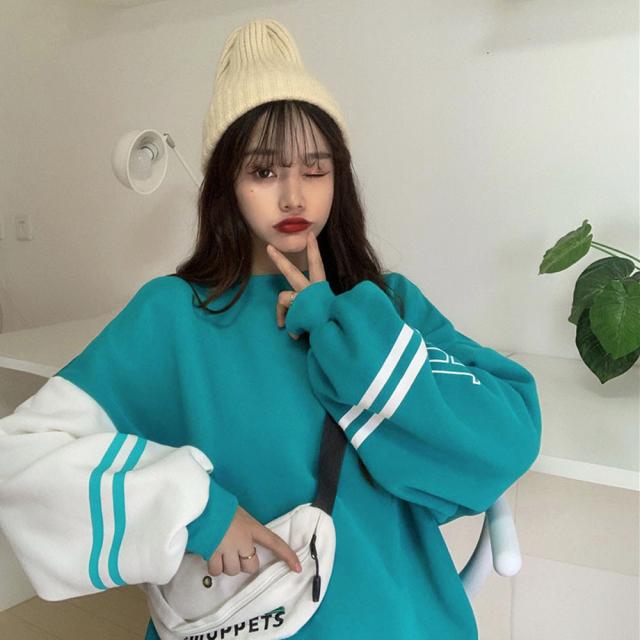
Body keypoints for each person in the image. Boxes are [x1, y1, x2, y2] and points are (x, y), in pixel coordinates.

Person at [0, 18, 542, 640]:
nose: (293, 196)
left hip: (398, 617)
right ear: (226, 186)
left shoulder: (384, 303)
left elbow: (507, 435)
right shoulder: (174, 314)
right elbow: (21, 454)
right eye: (263, 172)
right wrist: (195, 511)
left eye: (315, 169)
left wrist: (344, 330)